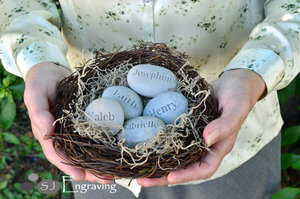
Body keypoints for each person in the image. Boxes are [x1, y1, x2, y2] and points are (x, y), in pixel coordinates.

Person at [0, 0, 299, 198]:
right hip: (91, 145)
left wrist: (255, 71)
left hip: (229, 134)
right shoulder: (92, 127)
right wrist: (38, 58)